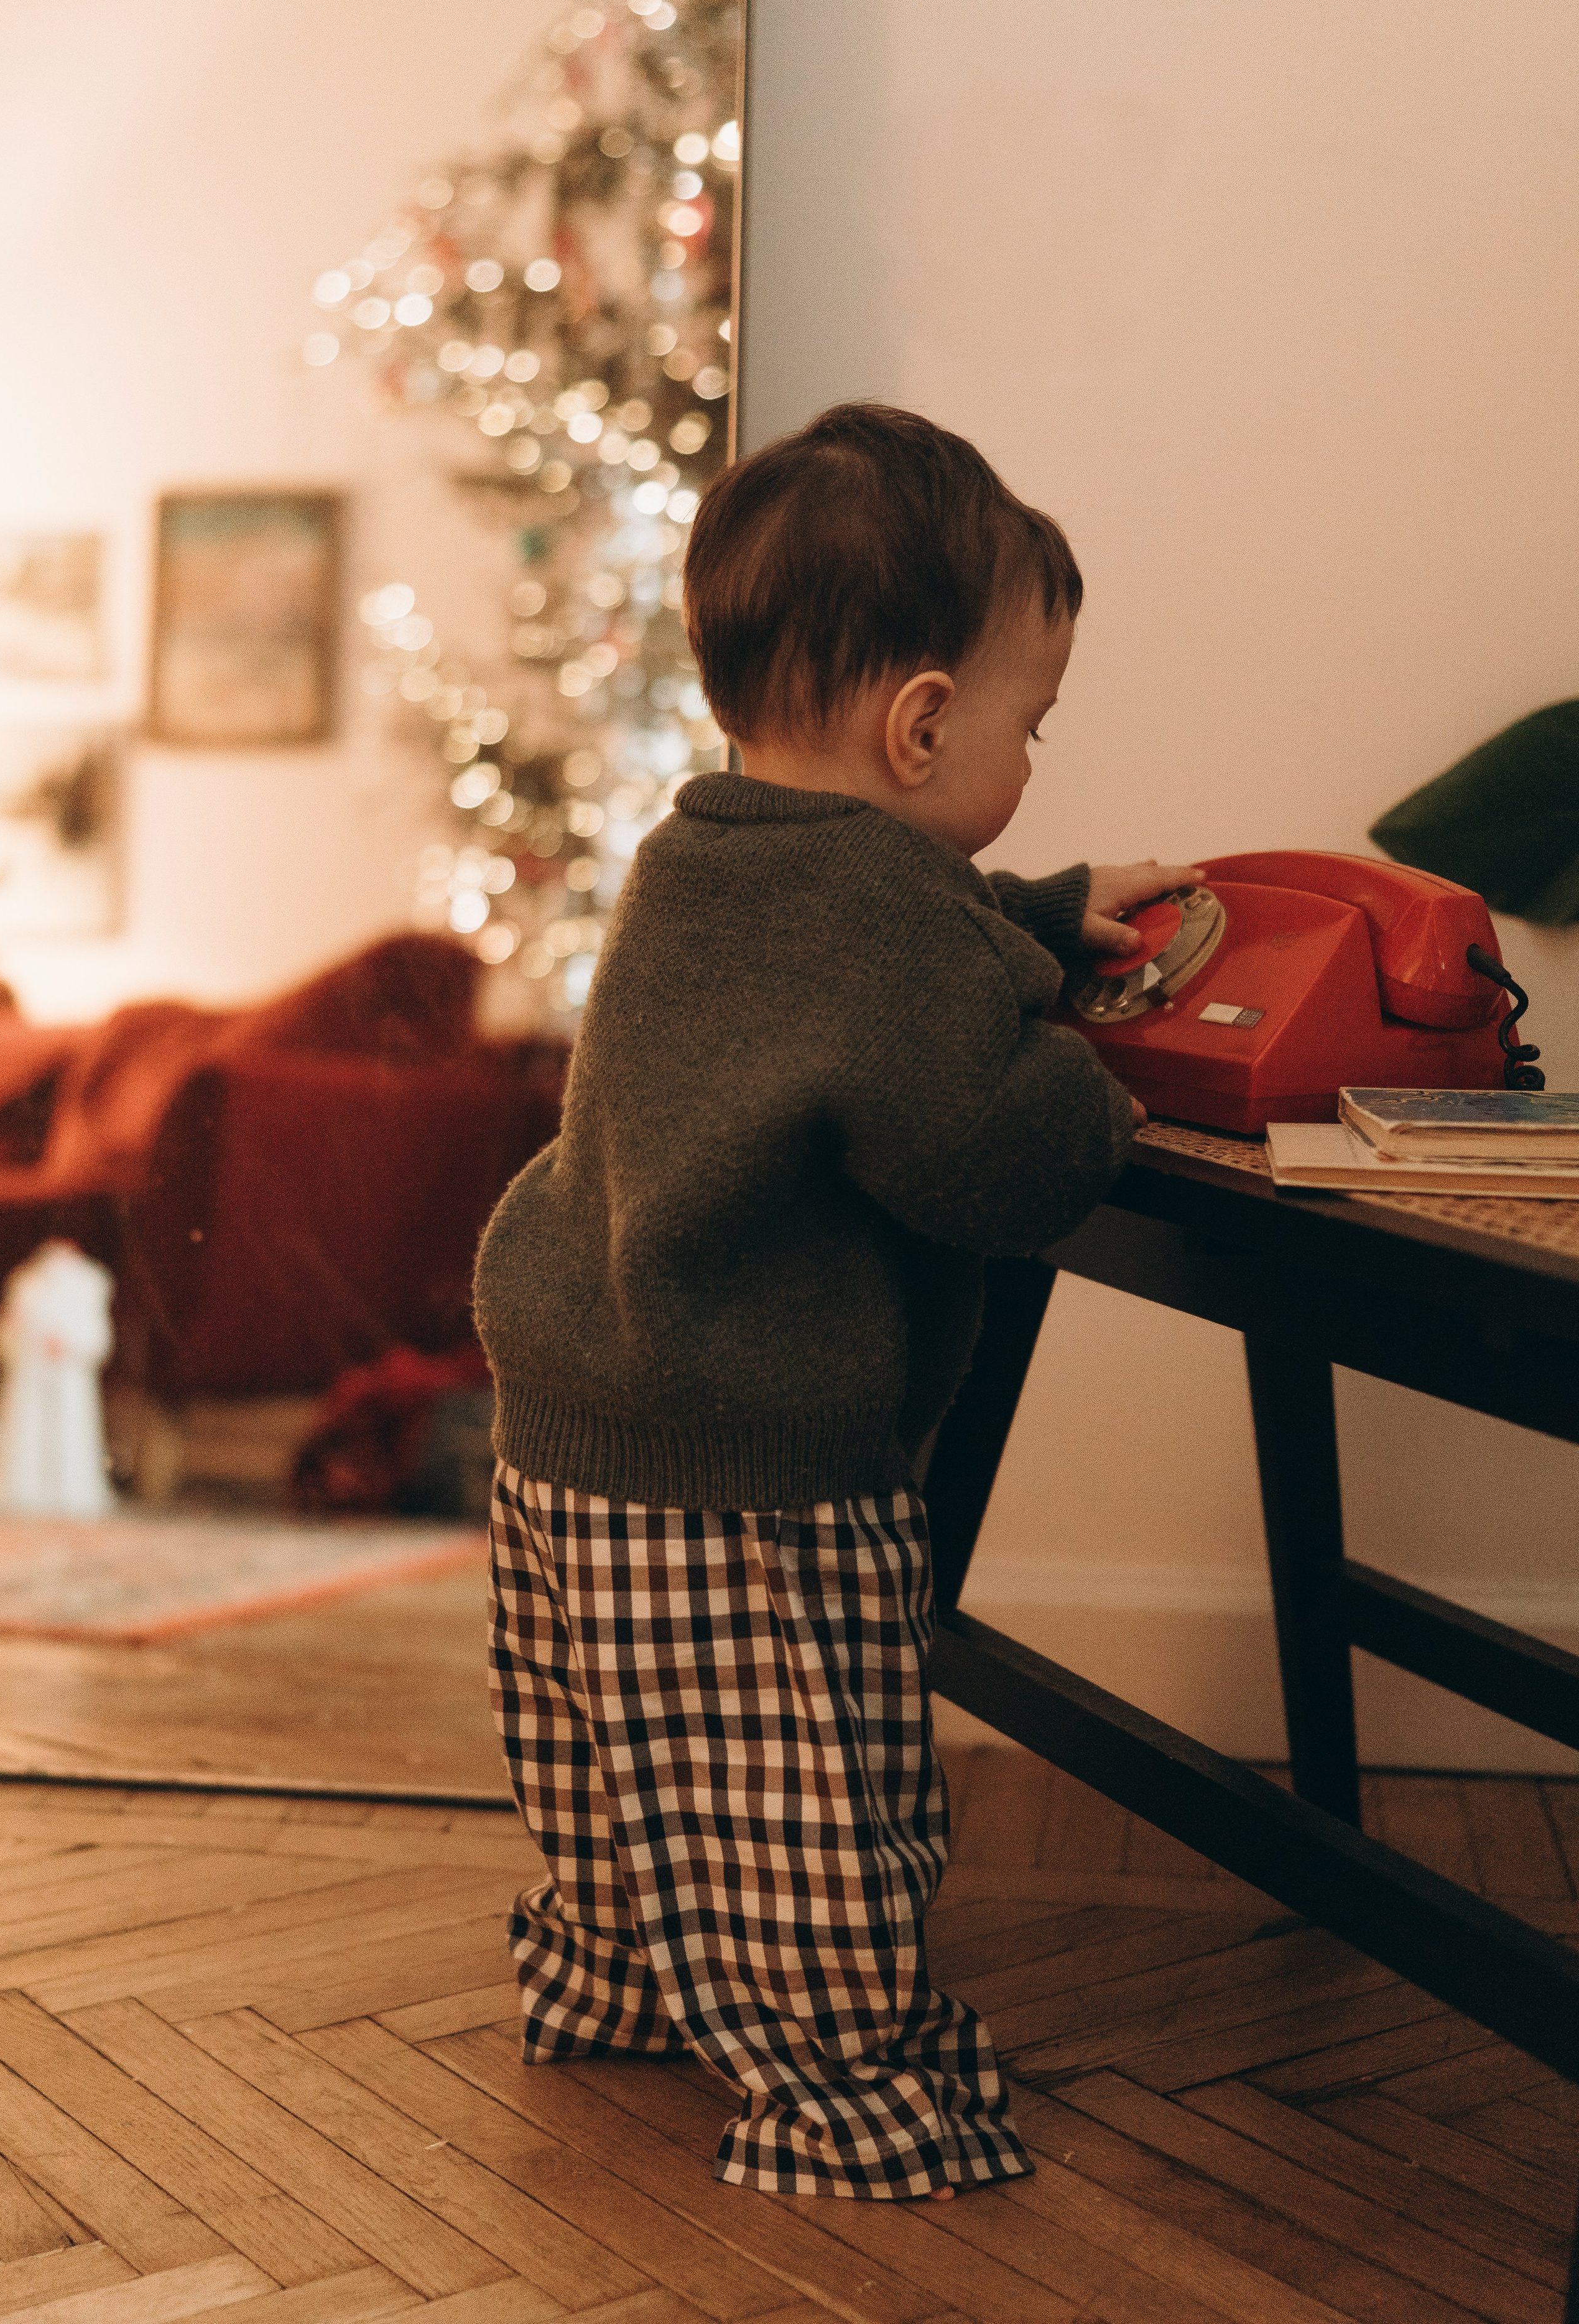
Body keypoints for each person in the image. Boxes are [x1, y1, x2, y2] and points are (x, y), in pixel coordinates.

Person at [475, 402, 1200, 2201]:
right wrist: (1094, 1085)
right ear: (925, 722)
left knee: (629, 1765)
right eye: (1031, 724)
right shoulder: (881, 925)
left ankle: (622, 1974)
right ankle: (845, 2096)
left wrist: (1036, 910)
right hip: (748, 1476)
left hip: (577, 1413)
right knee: (805, 1797)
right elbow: (982, 1146)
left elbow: (844, 990)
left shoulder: (706, 851)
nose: (1035, 756)